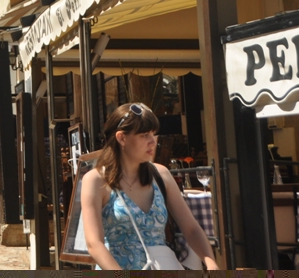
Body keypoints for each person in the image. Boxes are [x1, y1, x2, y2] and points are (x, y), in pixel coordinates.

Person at [80, 103, 219, 270]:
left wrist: (211, 263)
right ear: (121, 138)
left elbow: (191, 229)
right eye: (144, 135)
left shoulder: (161, 175)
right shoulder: (96, 180)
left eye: (154, 134)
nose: (153, 141)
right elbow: (94, 244)